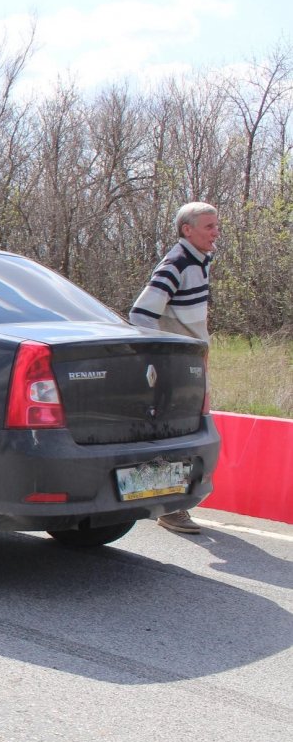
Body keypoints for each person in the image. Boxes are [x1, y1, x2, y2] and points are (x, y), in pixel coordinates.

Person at [128, 201, 220, 535]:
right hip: (177, 368)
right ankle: (170, 508)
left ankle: (172, 502)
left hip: (193, 364)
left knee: (189, 433)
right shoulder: (176, 263)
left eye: (216, 225)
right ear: (187, 230)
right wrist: (165, 358)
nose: (216, 232)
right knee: (177, 435)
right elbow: (140, 315)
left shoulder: (200, 261)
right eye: (209, 226)